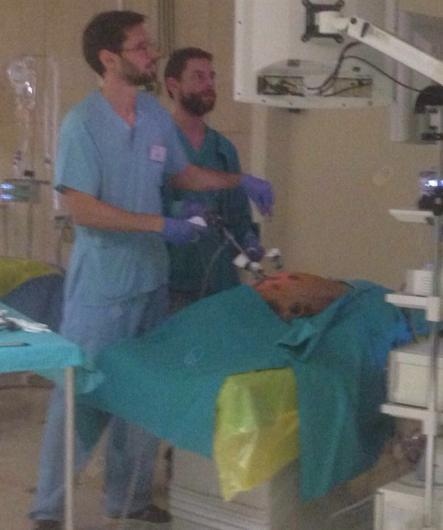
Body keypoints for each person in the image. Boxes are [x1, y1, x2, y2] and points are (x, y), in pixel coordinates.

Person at [29, 10, 273, 530]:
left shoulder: (153, 115)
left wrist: (239, 181)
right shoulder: (83, 125)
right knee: (83, 397)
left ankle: (131, 498)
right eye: (141, 47)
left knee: (144, 395)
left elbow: (183, 174)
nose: (153, 54)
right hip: (103, 287)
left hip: (151, 282)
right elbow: (82, 208)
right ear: (109, 59)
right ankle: (48, 509)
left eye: (150, 45)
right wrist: (160, 224)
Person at [163, 47, 264, 308]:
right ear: (173, 85)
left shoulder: (223, 149)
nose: (209, 84)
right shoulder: (156, 145)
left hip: (220, 282)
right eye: (198, 77)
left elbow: (237, 215)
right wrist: (177, 211)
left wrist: (248, 239)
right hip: (170, 284)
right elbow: (142, 207)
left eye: (212, 77)